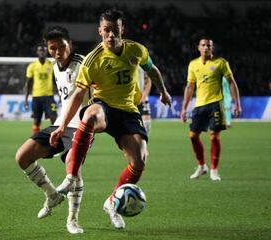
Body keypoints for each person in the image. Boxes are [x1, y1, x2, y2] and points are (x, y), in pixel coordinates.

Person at [50, 9, 171, 229]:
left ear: (121, 29)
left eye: (115, 30)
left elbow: (152, 70)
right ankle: (70, 178)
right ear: (100, 31)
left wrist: (163, 92)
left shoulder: (136, 50)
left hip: (128, 110)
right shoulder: (92, 60)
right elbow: (78, 95)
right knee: (90, 114)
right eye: (106, 30)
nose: (111, 35)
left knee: (140, 160)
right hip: (104, 107)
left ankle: (112, 202)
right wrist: (63, 126)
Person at [15, 26, 91, 234]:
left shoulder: (84, 64)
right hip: (61, 124)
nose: (57, 52)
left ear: (70, 45)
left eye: (62, 47)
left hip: (82, 126)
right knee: (22, 156)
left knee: (72, 167)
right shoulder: (55, 66)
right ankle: (52, 195)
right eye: (52, 48)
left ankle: (72, 220)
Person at [180, 38, 241, 181]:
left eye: (209, 45)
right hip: (199, 105)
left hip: (216, 104)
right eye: (203, 45)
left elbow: (232, 83)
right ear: (198, 48)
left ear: (212, 48)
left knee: (214, 136)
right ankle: (202, 166)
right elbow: (189, 87)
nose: (206, 47)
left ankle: (214, 169)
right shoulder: (193, 64)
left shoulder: (221, 63)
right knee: (193, 136)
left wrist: (237, 104)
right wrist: (183, 108)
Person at [24, 43, 57, 135]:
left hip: (49, 97)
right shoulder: (32, 66)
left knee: (54, 117)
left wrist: (60, 94)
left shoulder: (51, 65)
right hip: (36, 97)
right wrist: (26, 100)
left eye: (44, 50)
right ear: (37, 52)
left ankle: (56, 140)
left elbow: (55, 81)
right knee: (36, 121)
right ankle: (35, 141)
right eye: (40, 50)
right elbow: (28, 84)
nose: (42, 52)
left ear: (47, 52)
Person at [137, 67, 152, 135]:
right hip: (129, 100)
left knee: (147, 125)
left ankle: (144, 144)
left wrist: (144, 96)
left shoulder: (141, 61)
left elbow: (148, 80)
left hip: (142, 99)